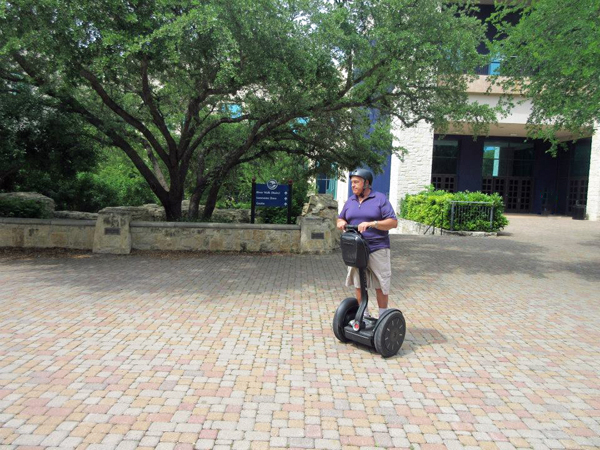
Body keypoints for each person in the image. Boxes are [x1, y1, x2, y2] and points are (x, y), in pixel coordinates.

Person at [336, 169, 398, 322]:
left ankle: (383, 317)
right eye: (352, 182)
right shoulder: (350, 201)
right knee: (358, 283)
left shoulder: (379, 199)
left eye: (356, 182)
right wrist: (341, 222)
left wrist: (373, 223)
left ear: (367, 183)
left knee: (380, 283)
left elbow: (393, 222)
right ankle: (363, 315)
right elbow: (339, 219)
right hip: (356, 249)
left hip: (377, 247)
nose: (353, 185)